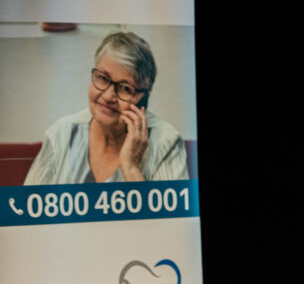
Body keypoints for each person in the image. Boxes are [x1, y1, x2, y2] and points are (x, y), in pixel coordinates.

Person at [24, 31, 188, 185]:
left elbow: (174, 209)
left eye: (125, 88)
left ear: (144, 99)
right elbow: (26, 204)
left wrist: (131, 169)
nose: (108, 96)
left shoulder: (165, 143)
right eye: (103, 78)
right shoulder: (62, 134)